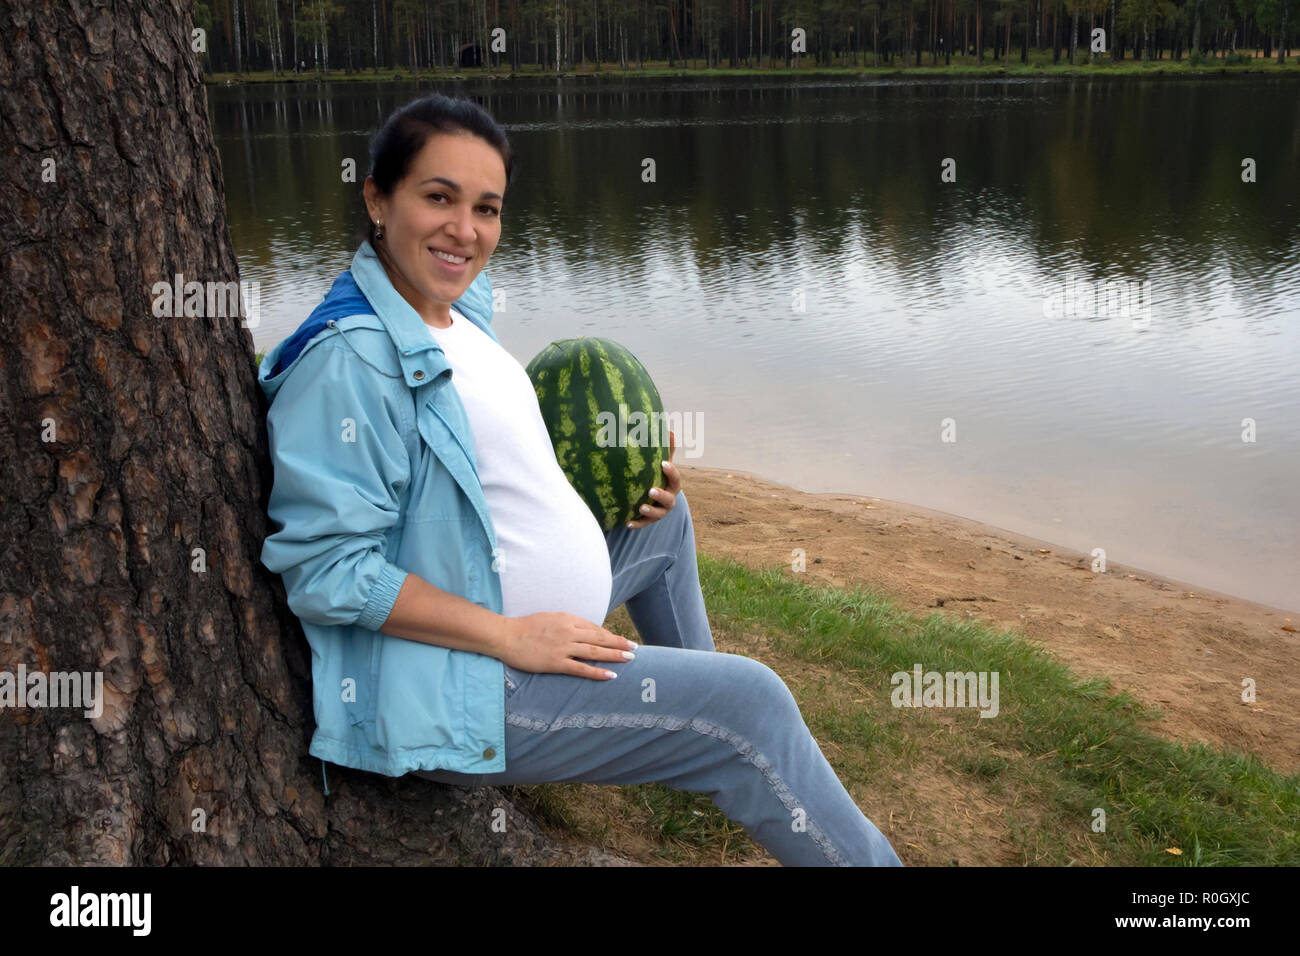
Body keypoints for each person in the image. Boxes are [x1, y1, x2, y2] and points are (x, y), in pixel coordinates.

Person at [257, 92, 901, 867]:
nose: (465, 230)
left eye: (487, 208)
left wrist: (621, 467)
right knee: (753, 702)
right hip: (469, 690)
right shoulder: (349, 359)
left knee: (660, 520)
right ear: (376, 198)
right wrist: (511, 635)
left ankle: (709, 723)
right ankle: (739, 742)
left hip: (524, 627)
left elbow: (486, 466)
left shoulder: (452, 311)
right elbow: (328, 574)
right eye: (438, 197)